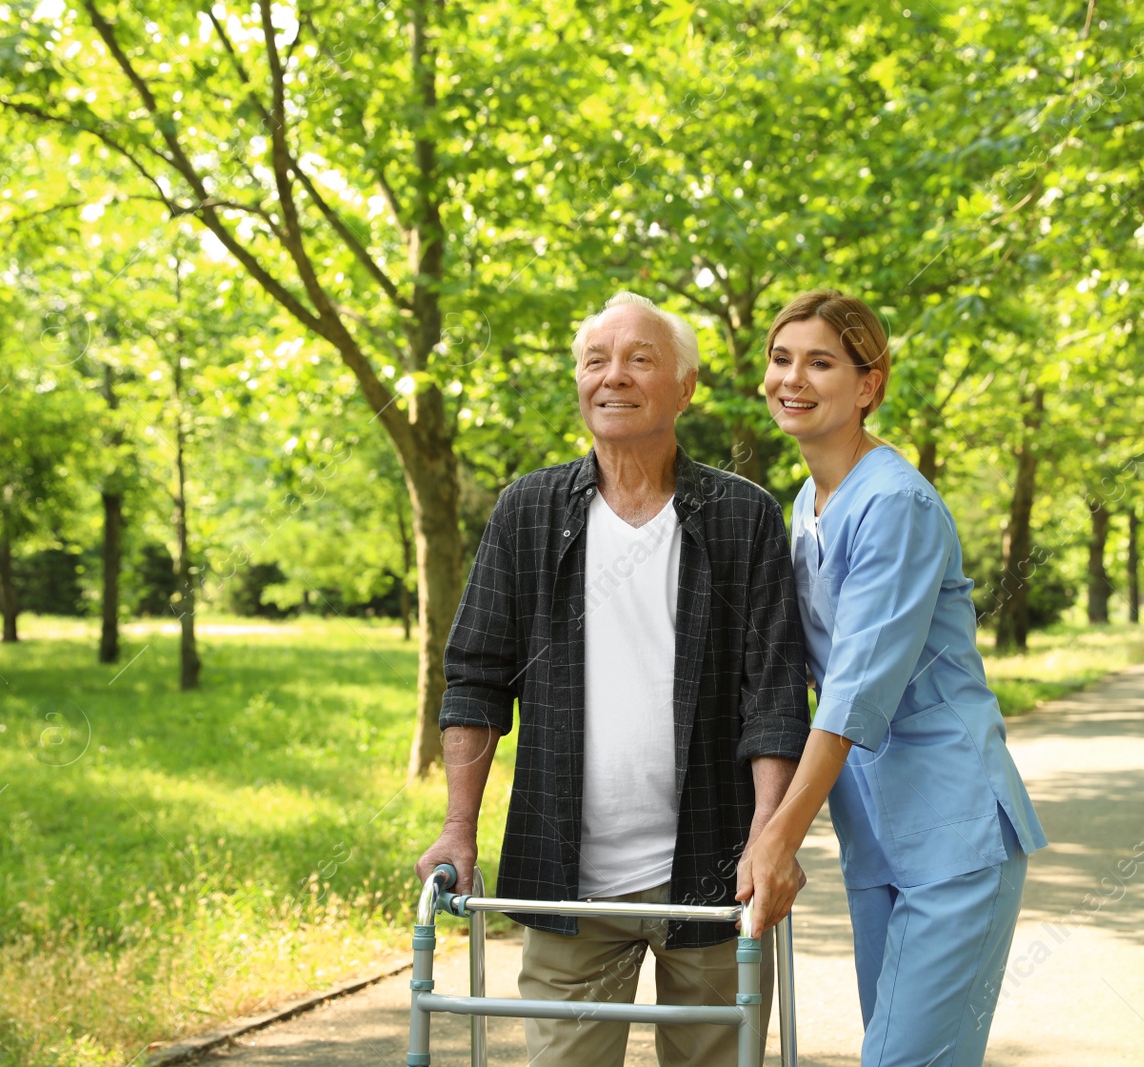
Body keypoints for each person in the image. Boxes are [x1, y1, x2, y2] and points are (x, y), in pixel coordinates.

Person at [416, 291, 809, 1067]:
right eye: (597, 360)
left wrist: (769, 837)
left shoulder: (744, 517)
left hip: (714, 876)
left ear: (685, 386)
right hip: (566, 883)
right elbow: (475, 680)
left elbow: (772, 696)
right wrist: (458, 825)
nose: (613, 377)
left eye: (639, 359)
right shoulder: (527, 511)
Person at [737, 289, 1048, 1066]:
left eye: (820, 362)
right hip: (874, 836)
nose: (792, 379)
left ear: (868, 385)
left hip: (953, 830)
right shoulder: (809, 501)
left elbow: (853, 691)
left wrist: (780, 834)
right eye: (781, 360)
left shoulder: (897, 502)